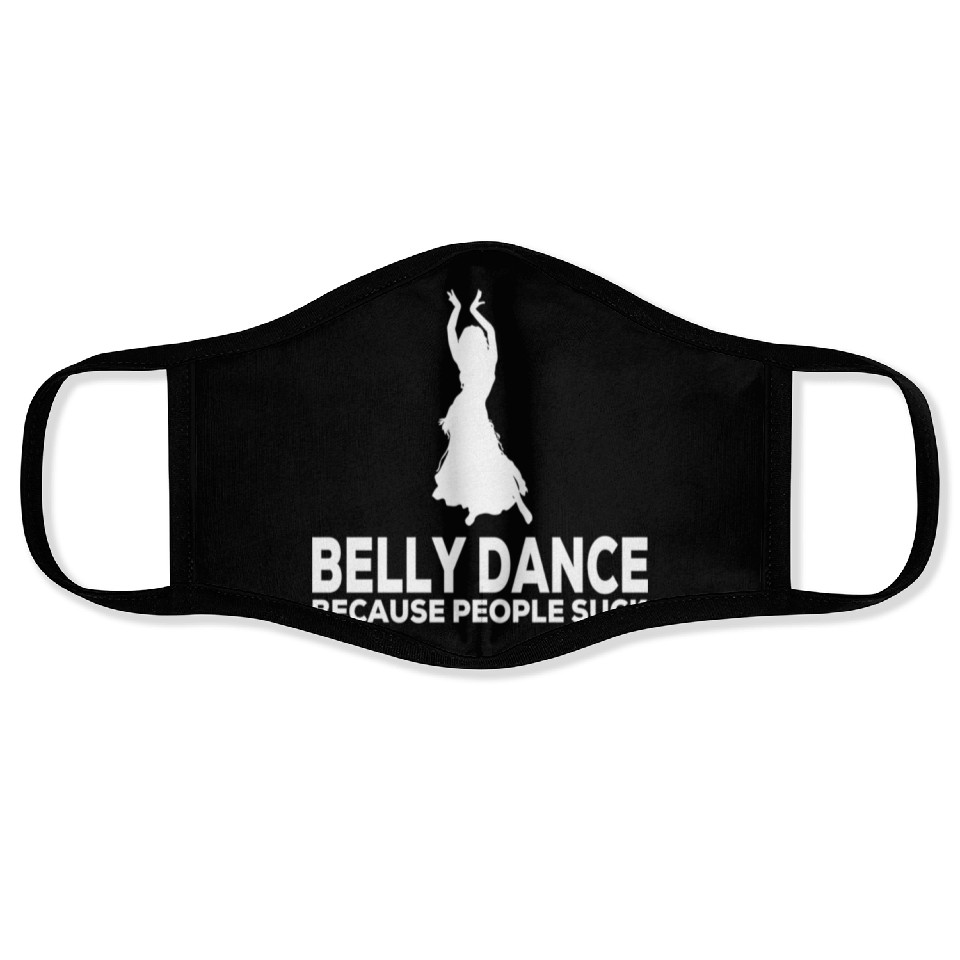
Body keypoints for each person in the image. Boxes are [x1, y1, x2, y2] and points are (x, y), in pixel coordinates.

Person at [433, 289, 533, 526]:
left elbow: (454, 331)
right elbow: (488, 333)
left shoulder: (479, 368)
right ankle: (478, 508)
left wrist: (460, 309)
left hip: (470, 417)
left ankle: (515, 505)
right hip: (466, 416)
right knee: (479, 462)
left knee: (486, 461)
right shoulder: (482, 368)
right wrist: (471, 311)